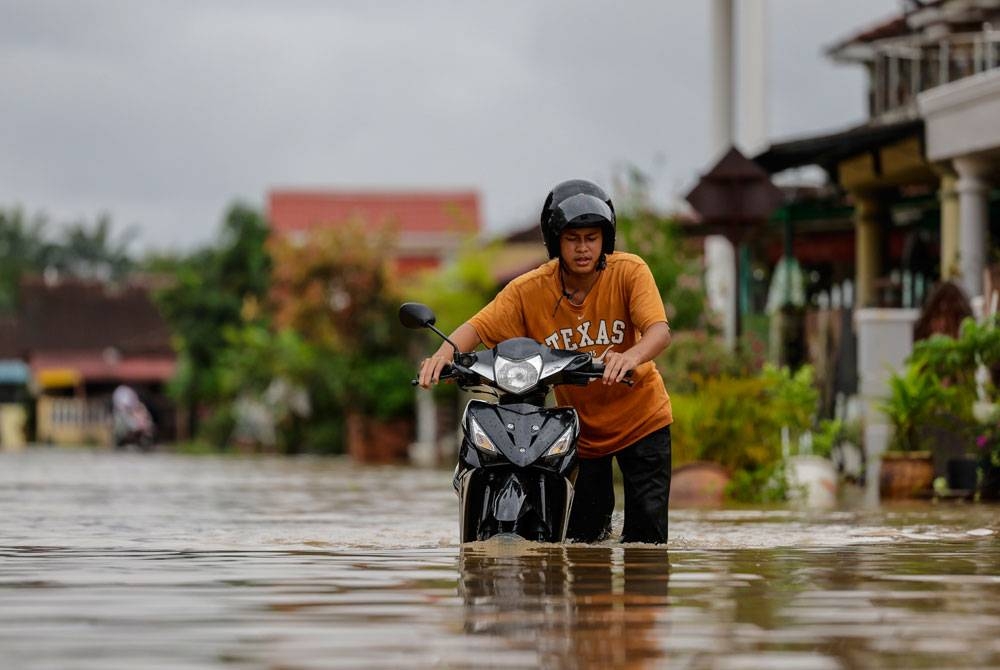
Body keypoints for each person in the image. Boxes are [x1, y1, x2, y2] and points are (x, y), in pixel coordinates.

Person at [419, 179, 673, 544]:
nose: (583, 248)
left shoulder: (630, 272)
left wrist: (630, 356)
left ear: (606, 239)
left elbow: (659, 331)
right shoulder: (529, 290)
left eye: (591, 237)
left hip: (643, 420)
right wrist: (442, 356)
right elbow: (478, 326)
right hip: (582, 432)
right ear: (555, 241)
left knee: (646, 542)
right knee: (584, 540)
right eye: (573, 239)